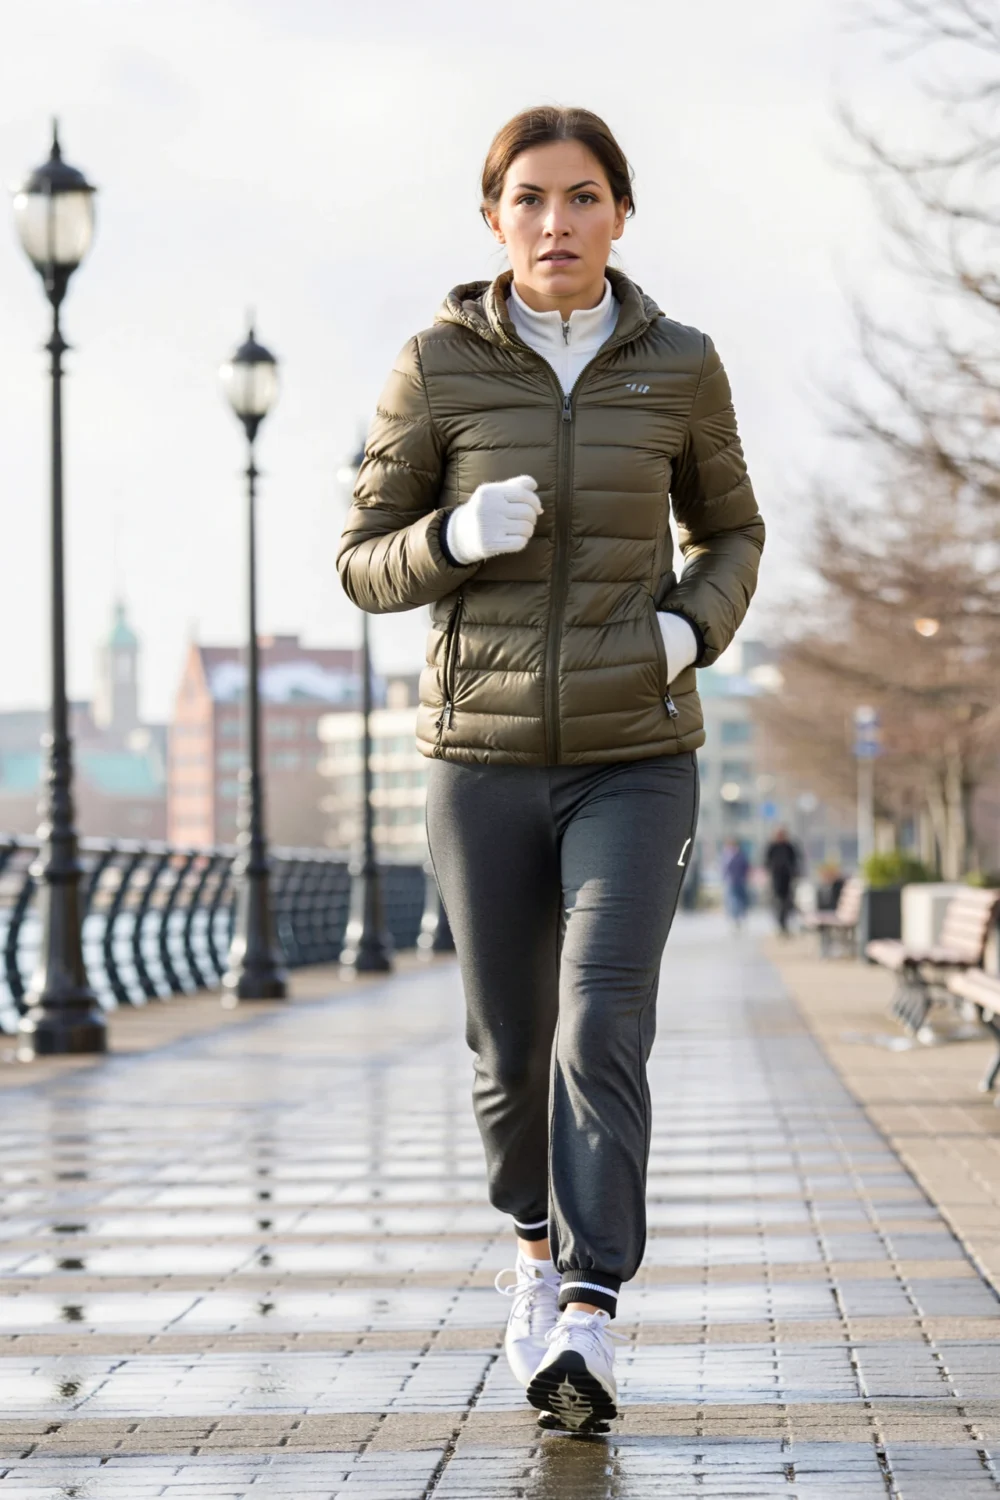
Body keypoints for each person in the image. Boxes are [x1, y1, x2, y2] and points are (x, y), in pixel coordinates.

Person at [337, 105, 764, 1432]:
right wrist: (453, 533)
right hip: (481, 759)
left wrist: (691, 628)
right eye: (531, 200)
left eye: (584, 199)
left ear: (620, 215)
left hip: (636, 755)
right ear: (493, 220)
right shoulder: (435, 369)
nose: (558, 225)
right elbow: (362, 560)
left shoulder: (681, 365)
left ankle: (587, 1304)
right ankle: (531, 1245)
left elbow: (736, 532)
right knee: (510, 1045)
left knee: (602, 1022)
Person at [764, 828, 800, 935]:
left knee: (786, 902)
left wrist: (793, 872)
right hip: (776, 878)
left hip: (787, 878)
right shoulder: (772, 847)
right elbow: (766, 861)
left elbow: (795, 860)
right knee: (777, 901)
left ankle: (784, 922)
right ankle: (780, 922)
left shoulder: (789, 847)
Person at [720, 838, 750, 930]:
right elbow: (724, 868)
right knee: (733, 900)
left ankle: (738, 917)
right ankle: (735, 917)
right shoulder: (728, 855)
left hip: (739, 881)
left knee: (739, 900)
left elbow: (745, 867)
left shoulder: (739, 855)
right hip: (732, 881)